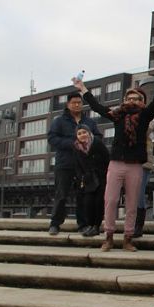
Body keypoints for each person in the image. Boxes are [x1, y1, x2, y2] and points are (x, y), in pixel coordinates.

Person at [74, 64, 154, 252]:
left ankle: (127, 238)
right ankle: (108, 236)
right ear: (125, 100)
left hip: (135, 165)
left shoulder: (144, 116)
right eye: (130, 98)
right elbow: (97, 107)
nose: (133, 100)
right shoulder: (117, 115)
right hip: (116, 162)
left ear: (142, 101)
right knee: (110, 200)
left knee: (132, 202)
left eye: (137, 98)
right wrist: (83, 89)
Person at [47, 92, 100, 235]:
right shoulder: (59, 121)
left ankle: (83, 224)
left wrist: (90, 143)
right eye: (74, 102)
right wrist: (73, 143)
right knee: (61, 194)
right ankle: (55, 223)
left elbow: (98, 137)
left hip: (84, 165)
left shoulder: (89, 122)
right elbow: (52, 139)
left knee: (83, 195)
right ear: (68, 104)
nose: (77, 105)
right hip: (65, 163)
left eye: (79, 102)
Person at [72, 123, 110, 238]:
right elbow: (77, 165)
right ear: (76, 136)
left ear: (89, 133)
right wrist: (81, 178)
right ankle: (90, 225)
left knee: (99, 202)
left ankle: (96, 226)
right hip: (88, 179)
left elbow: (107, 159)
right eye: (79, 133)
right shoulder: (76, 147)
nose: (82, 135)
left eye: (84, 132)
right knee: (88, 203)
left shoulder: (97, 143)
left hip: (101, 177)